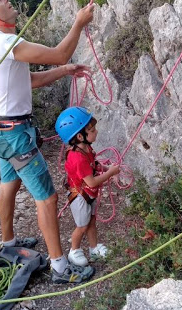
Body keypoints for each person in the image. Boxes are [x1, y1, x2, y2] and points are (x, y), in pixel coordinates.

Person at [0, 0, 96, 283]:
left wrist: (66, 70)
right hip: (15, 134)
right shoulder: (7, 42)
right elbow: (60, 52)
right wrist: (78, 22)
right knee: (47, 198)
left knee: (8, 184)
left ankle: (8, 244)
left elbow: (30, 80)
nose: (6, 0)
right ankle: (60, 268)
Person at [55, 107, 120, 266]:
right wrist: (110, 173)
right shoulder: (77, 158)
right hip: (80, 197)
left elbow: (93, 164)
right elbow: (91, 181)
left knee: (91, 221)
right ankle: (74, 251)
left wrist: (105, 169)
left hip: (88, 194)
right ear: (79, 136)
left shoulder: (86, 148)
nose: (96, 132)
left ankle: (94, 248)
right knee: (82, 226)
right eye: (91, 130)